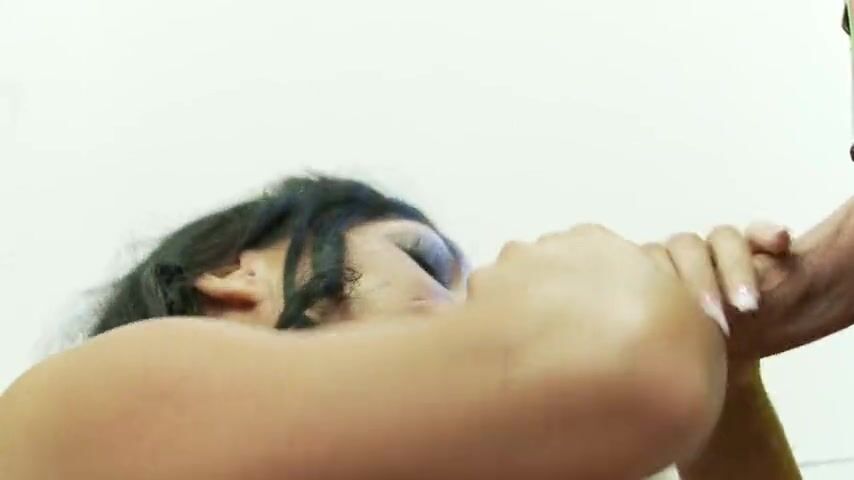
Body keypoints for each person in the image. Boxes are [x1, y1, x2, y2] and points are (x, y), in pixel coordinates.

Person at [3, 175, 853, 479]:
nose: (468, 306)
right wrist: (610, 285)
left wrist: (731, 380)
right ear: (235, 274)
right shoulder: (66, 423)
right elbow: (627, 369)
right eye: (422, 262)